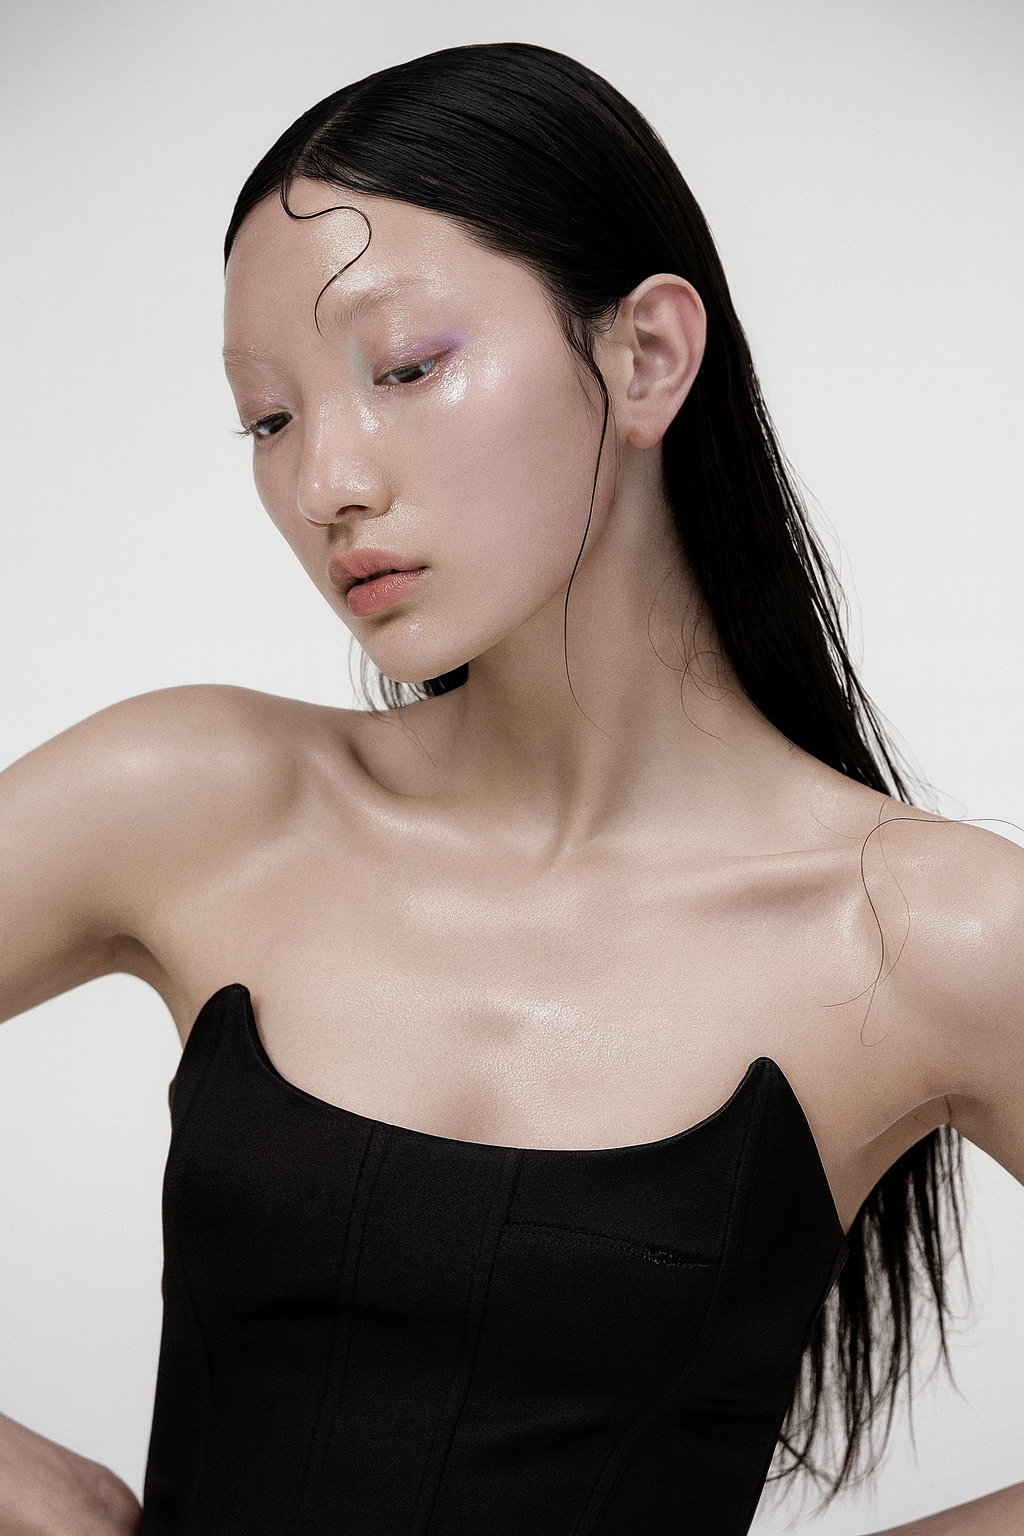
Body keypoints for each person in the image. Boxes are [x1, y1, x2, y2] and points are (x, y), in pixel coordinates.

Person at [0, 40, 1021, 1536]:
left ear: (648, 355)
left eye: (406, 368)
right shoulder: (197, 801)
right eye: (270, 419)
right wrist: (44, 1497)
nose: (325, 482)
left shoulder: (922, 935)